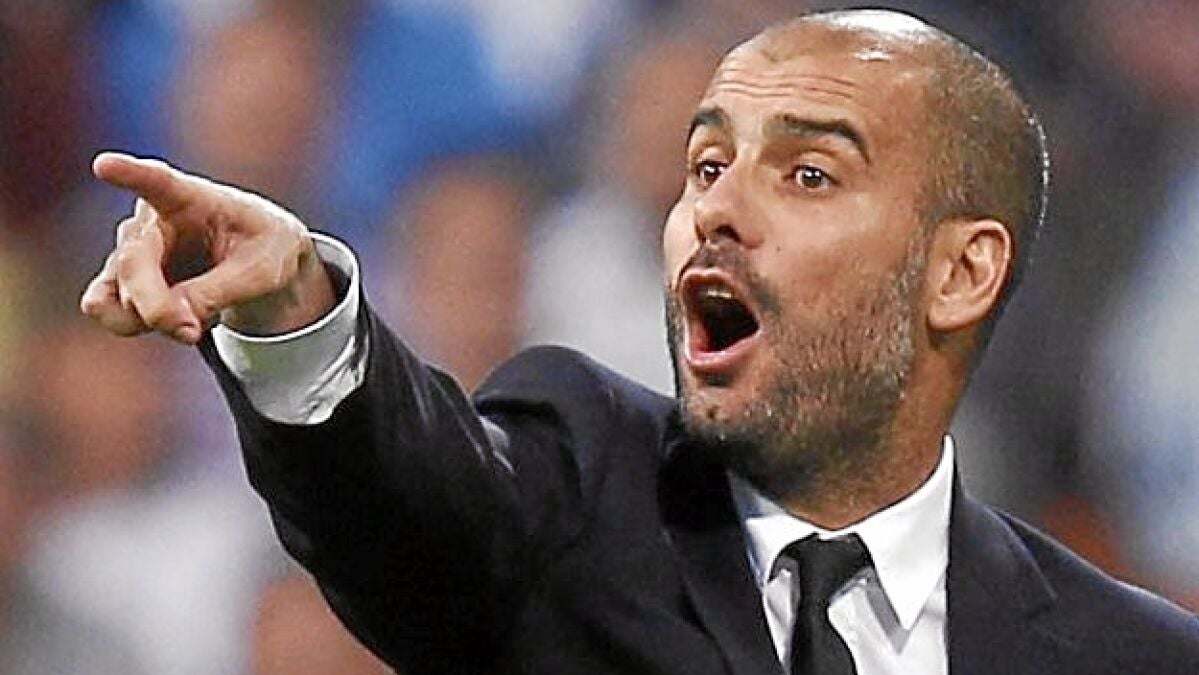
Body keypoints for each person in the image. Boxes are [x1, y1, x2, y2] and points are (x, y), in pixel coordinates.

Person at [80, 9, 1199, 675]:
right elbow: (408, 491)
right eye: (704, 165)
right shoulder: (572, 496)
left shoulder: (1129, 656)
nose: (715, 209)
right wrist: (298, 311)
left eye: (809, 173)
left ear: (959, 273)